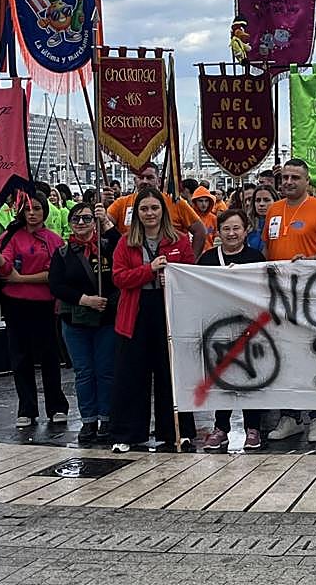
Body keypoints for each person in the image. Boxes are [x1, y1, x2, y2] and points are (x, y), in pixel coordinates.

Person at [111, 187, 197, 453]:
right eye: (144, 208)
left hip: (167, 311)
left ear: (163, 211)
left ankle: (176, 431)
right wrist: (148, 270)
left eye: (155, 208)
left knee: (169, 373)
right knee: (131, 374)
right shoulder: (126, 242)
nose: (150, 213)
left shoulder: (179, 240)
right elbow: (119, 278)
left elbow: (189, 273)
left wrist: (170, 277)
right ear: (137, 213)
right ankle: (127, 434)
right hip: (135, 312)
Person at [264, 159, 316, 443]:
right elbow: (268, 249)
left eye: (295, 177)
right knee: (284, 356)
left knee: (315, 355)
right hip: (280, 297)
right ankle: (290, 417)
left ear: (307, 181)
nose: (288, 182)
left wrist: (309, 261)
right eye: (285, 177)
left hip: (313, 296)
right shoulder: (273, 210)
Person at [0, 192, 69, 429]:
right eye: (27, 209)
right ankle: (26, 408)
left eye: (37, 208)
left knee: (49, 357)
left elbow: (54, 275)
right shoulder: (10, 236)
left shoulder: (55, 240)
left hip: (45, 304)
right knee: (20, 357)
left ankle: (57, 406)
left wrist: (21, 278)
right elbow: (5, 268)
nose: (32, 213)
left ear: (45, 210)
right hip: (16, 304)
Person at [48, 201, 120, 446]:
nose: (81, 223)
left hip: (106, 319)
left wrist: (106, 222)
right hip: (75, 320)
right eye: (76, 219)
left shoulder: (107, 246)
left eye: (87, 218)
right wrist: (85, 300)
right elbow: (56, 285)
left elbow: (124, 251)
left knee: (105, 371)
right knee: (84, 372)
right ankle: (88, 419)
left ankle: (107, 417)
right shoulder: (62, 253)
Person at [199, 208, 268, 453]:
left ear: (246, 230)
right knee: (222, 377)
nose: (231, 233)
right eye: (226, 229)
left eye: (236, 228)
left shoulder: (255, 257)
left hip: (250, 328)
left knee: (251, 377)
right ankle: (221, 428)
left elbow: (264, 290)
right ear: (218, 232)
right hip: (218, 328)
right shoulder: (207, 259)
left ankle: (253, 428)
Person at [106, 162, 206, 257]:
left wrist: (191, 262)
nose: (145, 181)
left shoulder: (175, 202)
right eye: (141, 177)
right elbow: (104, 225)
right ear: (135, 180)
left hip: (170, 263)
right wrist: (103, 204)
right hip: (133, 263)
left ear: (158, 181)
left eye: (150, 178)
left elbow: (200, 231)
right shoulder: (121, 203)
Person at [247, 185, 276, 253]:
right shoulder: (247, 224)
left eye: (266, 200)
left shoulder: (283, 222)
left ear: (275, 201)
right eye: (258, 200)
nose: (261, 204)